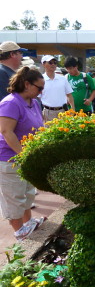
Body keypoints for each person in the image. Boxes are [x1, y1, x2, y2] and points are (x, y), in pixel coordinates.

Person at [0, 67, 45, 241]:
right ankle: (19, 231)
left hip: (25, 156)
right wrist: (23, 154)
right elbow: (6, 131)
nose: (41, 92)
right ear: (27, 84)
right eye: (39, 88)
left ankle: (28, 223)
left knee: (27, 192)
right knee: (14, 196)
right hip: (9, 158)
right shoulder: (10, 102)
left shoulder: (33, 102)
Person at [39, 55, 74, 122]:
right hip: (47, 112)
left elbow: (69, 95)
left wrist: (72, 110)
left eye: (55, 63)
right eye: (50, 62)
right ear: (43, 64)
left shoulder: (63, 79)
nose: (53, 65)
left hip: (63, 111)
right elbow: (37, 99)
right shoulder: (40, 80)